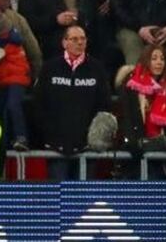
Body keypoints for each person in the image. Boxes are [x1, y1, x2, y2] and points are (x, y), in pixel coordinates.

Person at [31, 25, 111, 181]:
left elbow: (104, 106)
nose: (79, 43)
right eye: (74, 39)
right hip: (56, 147)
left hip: (87, 148)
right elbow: (39, 104)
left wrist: (94, 138)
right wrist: (48, 136)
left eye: (83, 39)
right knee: (59, 193)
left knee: (82, 195)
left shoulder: (96, 68)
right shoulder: (50, 68)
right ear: (64, 42)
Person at [117, 44, 166, 179]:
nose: (159, 62)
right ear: (145, 60)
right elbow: (126, 117)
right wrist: (132, 144)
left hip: (164, 152)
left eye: (162, 58)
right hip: (137, 151)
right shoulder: (130, 85)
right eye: (154, 58)